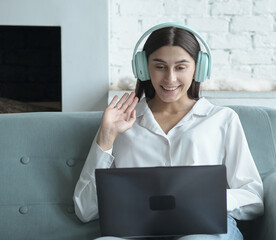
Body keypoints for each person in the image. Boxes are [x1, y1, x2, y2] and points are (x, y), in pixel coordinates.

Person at [73, 23, 264, 240]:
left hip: (205, 230)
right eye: (160, 66)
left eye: (181, 67)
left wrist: (209, 199)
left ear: (199, 68)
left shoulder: (222, 119)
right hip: (140, 231)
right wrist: (106, 138)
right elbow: (85, 210)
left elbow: (253, 198)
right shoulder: (120, 122)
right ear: (143, 68)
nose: (170, 78)